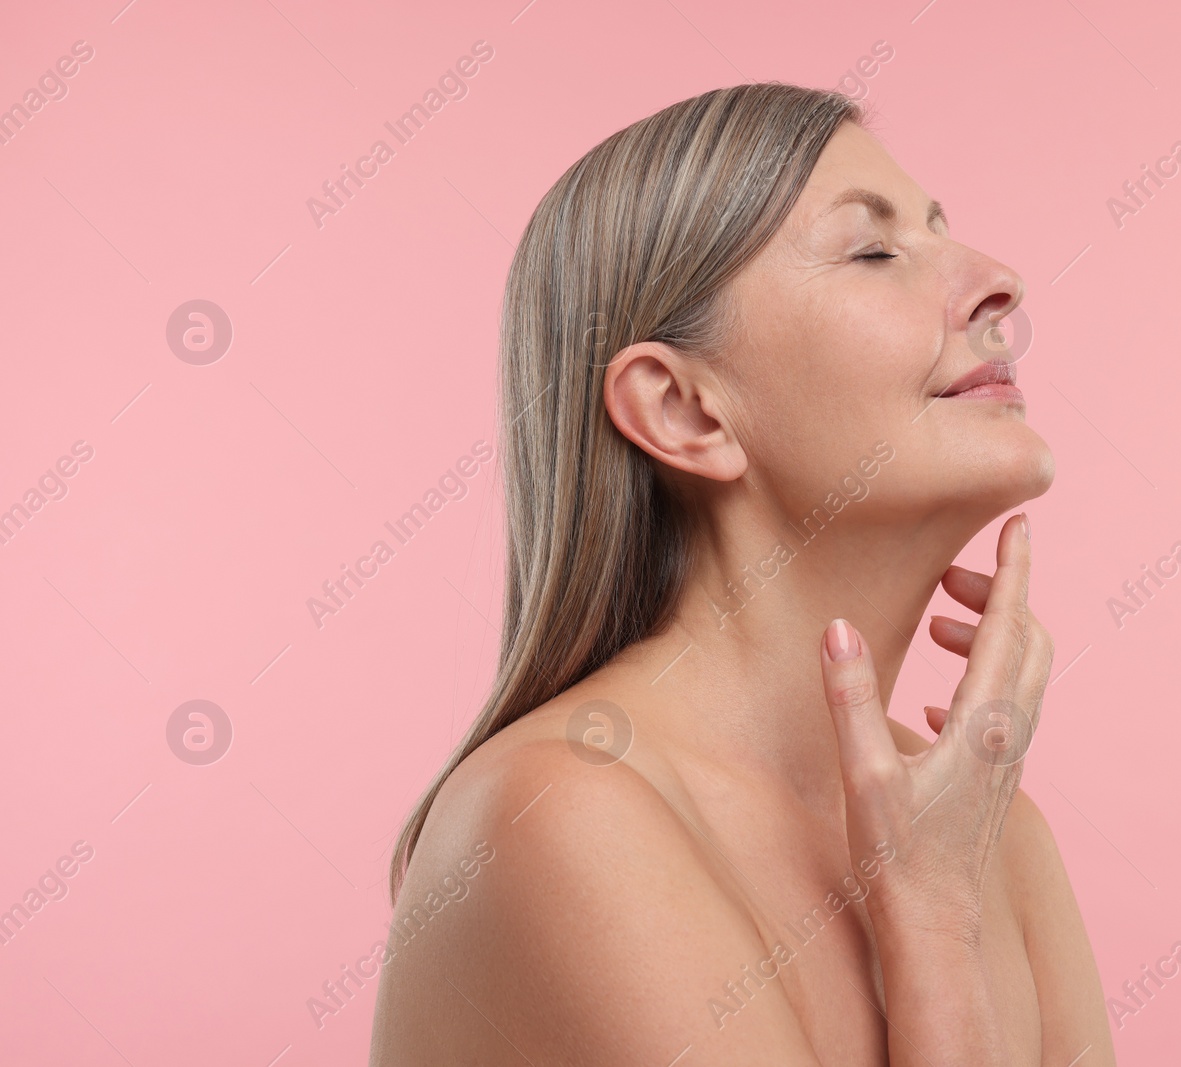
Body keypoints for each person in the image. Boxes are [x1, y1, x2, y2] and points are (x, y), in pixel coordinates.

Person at [369, 81, 1116, 1066]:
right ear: (683, 410)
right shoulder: (562, 812)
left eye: (942, 232)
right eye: (874, 250)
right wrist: (933, 928)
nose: (1000, 282)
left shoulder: (988, 830)